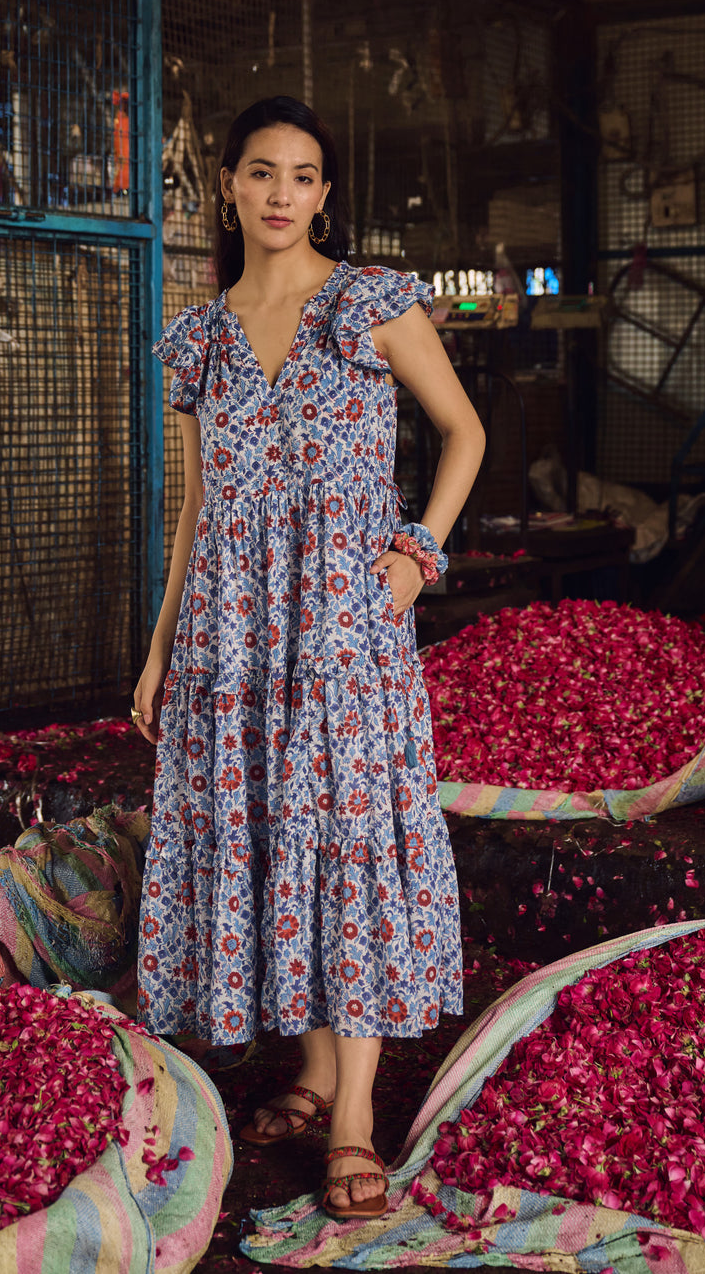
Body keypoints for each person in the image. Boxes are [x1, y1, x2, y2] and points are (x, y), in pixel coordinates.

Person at [132, 95, 485, 1220]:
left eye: (304, 175)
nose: (283, 193)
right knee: (279, 837)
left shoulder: (370, 305)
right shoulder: (199, 338)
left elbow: (465, 432)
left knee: (346, 841)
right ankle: (317, 1067)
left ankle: (353, 1121)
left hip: (343, 627)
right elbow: (197, 506)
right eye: (262, 173)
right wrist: (159, 651)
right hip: (233, 633)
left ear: (324, 195)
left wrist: (415, 555)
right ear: (228, 187)